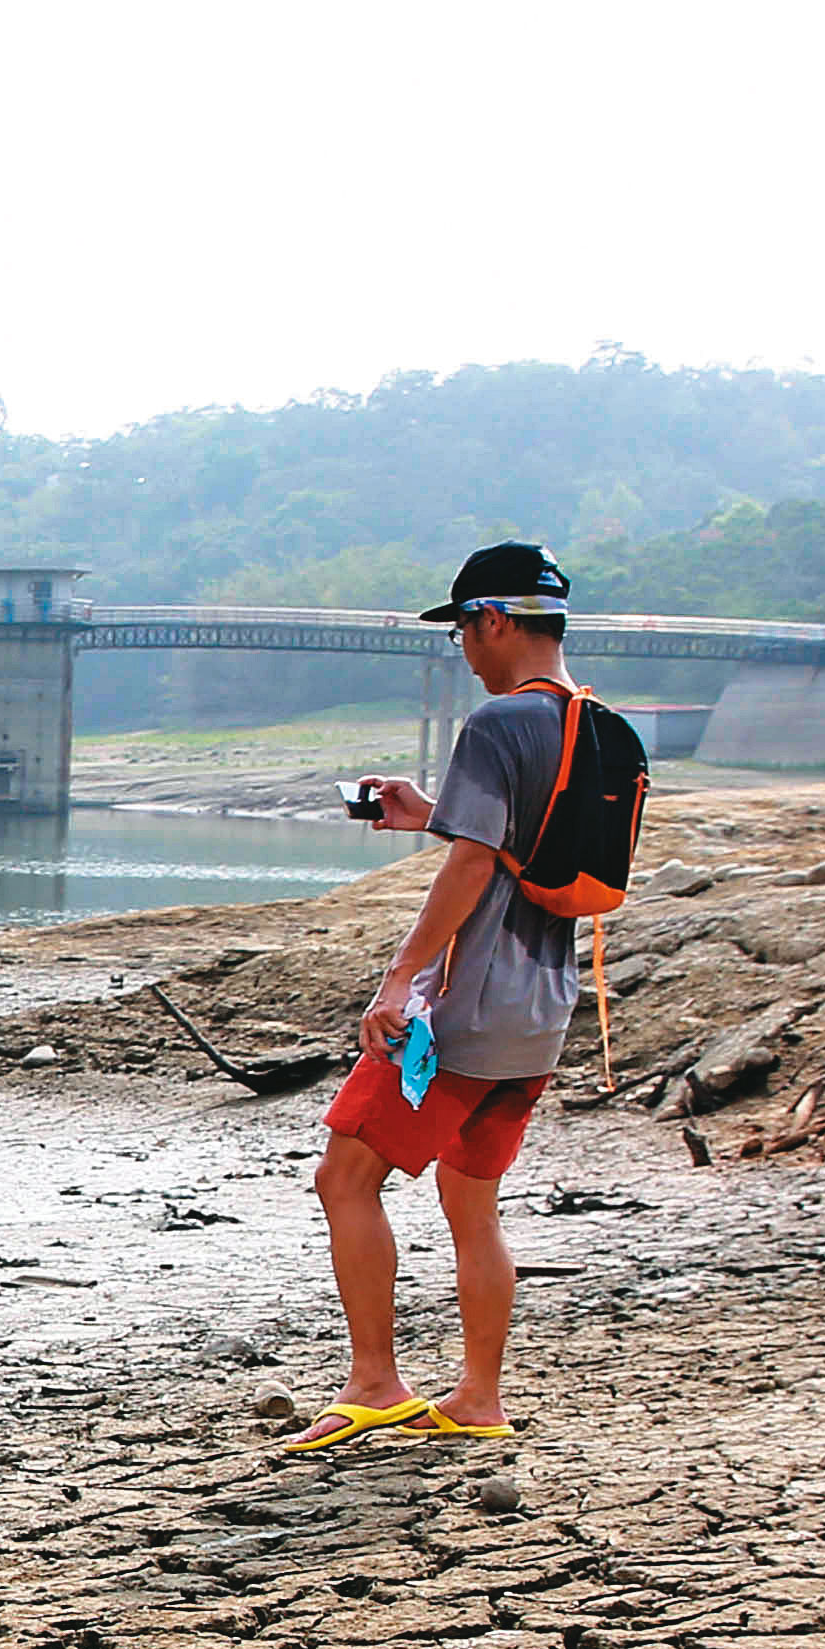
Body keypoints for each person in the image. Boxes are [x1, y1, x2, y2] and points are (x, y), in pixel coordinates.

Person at [283, 540, 592, 1453]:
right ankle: (479, 1397)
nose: (462, 646)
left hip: (468, 1010)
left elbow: (472, 864)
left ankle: (376, 1382)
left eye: (462, 627)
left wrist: (402, 976)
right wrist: (431, 813)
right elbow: (519, 847)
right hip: (543, 1009)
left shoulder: (500, 725)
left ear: (493, 619)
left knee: (345, 1175)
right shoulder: (603, 728)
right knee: (472, 1198)